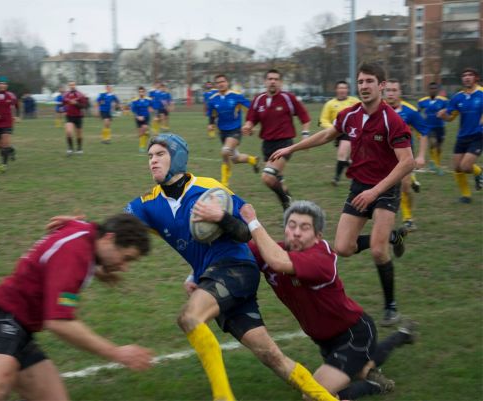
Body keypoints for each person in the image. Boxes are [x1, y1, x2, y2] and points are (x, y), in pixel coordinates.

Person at [48, 133, 338, 401]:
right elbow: (113, 231)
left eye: (160, 154)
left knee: (190, 318)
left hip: (236, 268)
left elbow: (244, 232)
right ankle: (329, 399)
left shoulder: (209, 188)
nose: (152, 160)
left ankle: (223, 397)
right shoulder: (147, 204)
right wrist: (79, 226)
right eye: (150, 156)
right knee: (271, 355)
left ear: (177, 158)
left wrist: (220, 216)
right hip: (213, 278)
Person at [270, 62, 414, 326]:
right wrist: (293, 149)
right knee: (343, 247)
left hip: (384, 189)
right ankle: (394, 236)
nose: (364, 86)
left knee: (379, 252)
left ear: (381, 85)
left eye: (370, 81)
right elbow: (326, 135)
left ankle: (391, 307)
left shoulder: (391, 119)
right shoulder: (351, 115)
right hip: (359, 186)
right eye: (360, 82)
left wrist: (376, 191)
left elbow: (407, 162)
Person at [240, 200, 417, 400]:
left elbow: (277, 261)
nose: (296, 232)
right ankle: (402, 335)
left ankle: (373, 386)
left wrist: (252, 222)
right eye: (292, 225)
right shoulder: (277, 250)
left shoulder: (321, 257)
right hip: (326, 341)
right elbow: (239, 248)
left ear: (318, 236)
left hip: (354, 335)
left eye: (305, 227)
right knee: (363, 367)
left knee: (313, 395)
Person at [0, 213, 153, 401]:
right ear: (109, 238)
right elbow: (58, 322)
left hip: (22, 330)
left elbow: (80, 228)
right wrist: (116, 352)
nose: (124, 267)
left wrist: (98, 269)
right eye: (126, 258)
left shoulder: (88, 233)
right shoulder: (75, 253)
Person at [242, 69, 310, 213]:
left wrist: (305, 135)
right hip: (267, 145)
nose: (273, 81)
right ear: (265, 82)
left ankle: (286, 203)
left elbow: (304, 117)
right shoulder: (258, 100)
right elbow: (251, 120)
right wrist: (248, 127)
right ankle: (292, 208)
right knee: (278, 181)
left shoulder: (288, 98)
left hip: (284, 144)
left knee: (267, 176)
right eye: (270, 79)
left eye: (276, 79)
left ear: (280, 82)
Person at [385, 79, 430, 232]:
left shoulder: (410, 111)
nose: (390, 93)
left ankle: (408, 219)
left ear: (400, 92)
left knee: (404, 187)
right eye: (388, 90)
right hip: (383, 157)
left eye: (394, 90)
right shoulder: (379, 109)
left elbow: (424, 132)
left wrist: (421, 156)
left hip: (404, 157)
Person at [437, 67, 483, 203]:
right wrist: (443, 115)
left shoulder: (481, 93)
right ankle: (466, 196)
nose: (467, 77)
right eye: (464, 75)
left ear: (476, 78)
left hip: (478, 135)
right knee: (457, 168)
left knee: (466, 166)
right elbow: (450, 117)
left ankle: (479, 172)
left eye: (470, 75)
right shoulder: (458, 97)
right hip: (462, 136)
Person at [207, 74, 259, 188]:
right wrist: (211, 124)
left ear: (227, 83)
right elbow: (212, 114)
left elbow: (251, 109)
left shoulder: (236, 96)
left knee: (225, 151)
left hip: (235, 130)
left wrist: (250, 124)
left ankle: (224, 184)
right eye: (218, 82)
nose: (221, 84)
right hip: (223, 132)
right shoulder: (212, 99)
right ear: (216, 85)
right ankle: (253, 160)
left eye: (223, 81)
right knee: (235, 159)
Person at [318, 80, 360, 186]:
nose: (342, 90)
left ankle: (336, 179)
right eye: (340, 88)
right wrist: (333, 128)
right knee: (347, 158)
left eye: (344, 88)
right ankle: (356, 175)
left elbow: (364, 112)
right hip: (337, 132)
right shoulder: (330, 104)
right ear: (336, 90)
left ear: (348, 90)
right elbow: (323, 120)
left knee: (343, 154)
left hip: (352, 131)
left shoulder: (354, 101)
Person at [418, 82, 448, 175]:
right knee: (433, 143)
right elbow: (417, 112)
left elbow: (449, 110)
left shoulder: (443, 100)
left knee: (438, 147)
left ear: (437, 90)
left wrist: (444, 114)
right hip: (429, 127)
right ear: (428, 90)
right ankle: (437, 167)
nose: (433, 90)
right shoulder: (422, 101)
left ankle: (434, 162)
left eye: (435, 88)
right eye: (431, 88)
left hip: (440, 127)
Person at [62, 81, 88, 155]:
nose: (72, 86)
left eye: (73, 85)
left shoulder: (80, 94)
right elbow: (63, 104)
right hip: (69, 116)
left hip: (78, 116)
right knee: (68, 132)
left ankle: (79, 148)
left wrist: (76, 103)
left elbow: (84, 106)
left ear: (75, 85)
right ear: (68, 86)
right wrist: (63, 110)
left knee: (79, 134)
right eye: (70, 85)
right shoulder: (66, 95)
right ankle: (70, 149)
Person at [129, 86, 153, 152]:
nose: (141, 93)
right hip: (138, 118)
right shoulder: (135, 100)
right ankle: (145, 135)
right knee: (140, 134)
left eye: (142, 91)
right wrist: (138, 117)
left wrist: (151, 110)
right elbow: (133, 111)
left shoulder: (149, 99)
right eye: (140, 92)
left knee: (144, 128)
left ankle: (142, 147)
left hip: (146, 117)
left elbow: (151, 107)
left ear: (144, 92)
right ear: (138, 92)